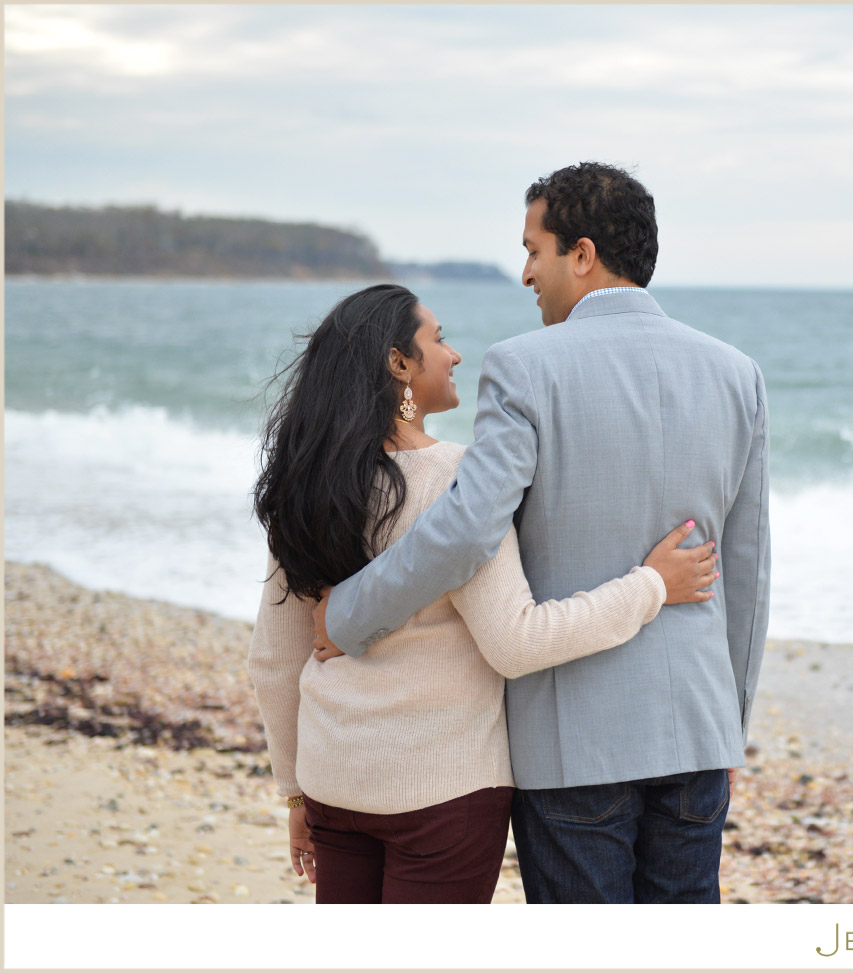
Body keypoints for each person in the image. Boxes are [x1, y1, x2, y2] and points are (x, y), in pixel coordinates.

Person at [312, 162, 771, 904]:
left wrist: (348, 613)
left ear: (582, 254)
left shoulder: (524, 367)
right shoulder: (736, 373)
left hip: (571, 745)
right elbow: (745, 570)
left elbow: (464, 534)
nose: (525, 272)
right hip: (697, 729)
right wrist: (729, 725)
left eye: (534, 249)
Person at [247, 283, 719, 904]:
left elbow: (275, 661)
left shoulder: (305, 481)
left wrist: (295, 793)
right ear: (399, 364)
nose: (455, 355)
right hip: (440, 793)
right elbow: (517, 642)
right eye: (438, 339)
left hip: (334, 780)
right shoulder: (461, 480)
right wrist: (653, 585)